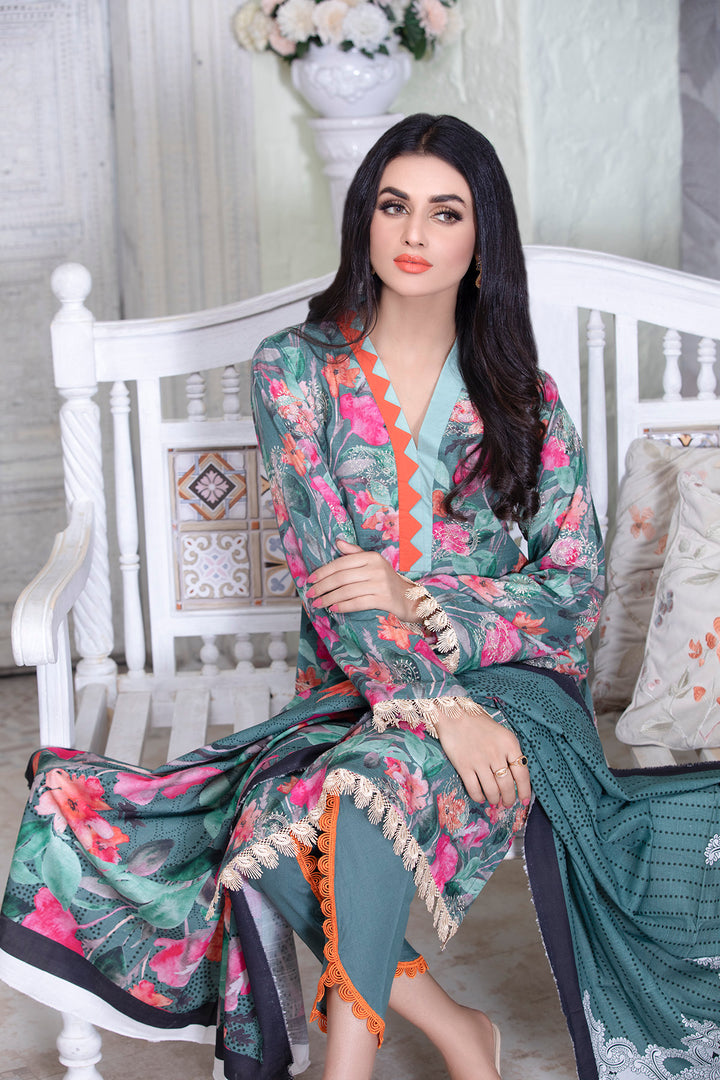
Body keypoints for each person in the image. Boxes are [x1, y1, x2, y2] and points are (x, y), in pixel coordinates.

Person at [1, 114, 718, 1080]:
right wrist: (438, 709)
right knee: (267, 823)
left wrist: (424, 602)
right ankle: (456, 1029)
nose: (414, 233)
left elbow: (573, 592)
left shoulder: (526, 397)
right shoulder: (294, 371)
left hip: (517, 688)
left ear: (481, 243)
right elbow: (332, 580)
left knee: (358, 787)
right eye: (394, 205)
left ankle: (351, 1066)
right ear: (365, 221)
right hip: (358, 681)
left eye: (445, 212)